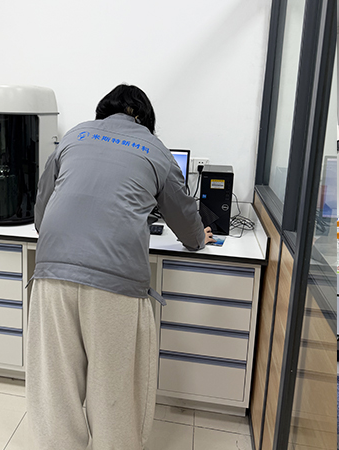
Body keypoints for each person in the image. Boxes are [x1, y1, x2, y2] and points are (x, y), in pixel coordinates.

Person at [26, 84, 215, 450]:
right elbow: (186, 220)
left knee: (56, 385)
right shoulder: (156, 150)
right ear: (145, 119)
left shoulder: (73, 137)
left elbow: (42, 211)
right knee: (114, 385)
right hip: (115, 282)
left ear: (103, 112)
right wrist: (199, 239)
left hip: (52, 273)